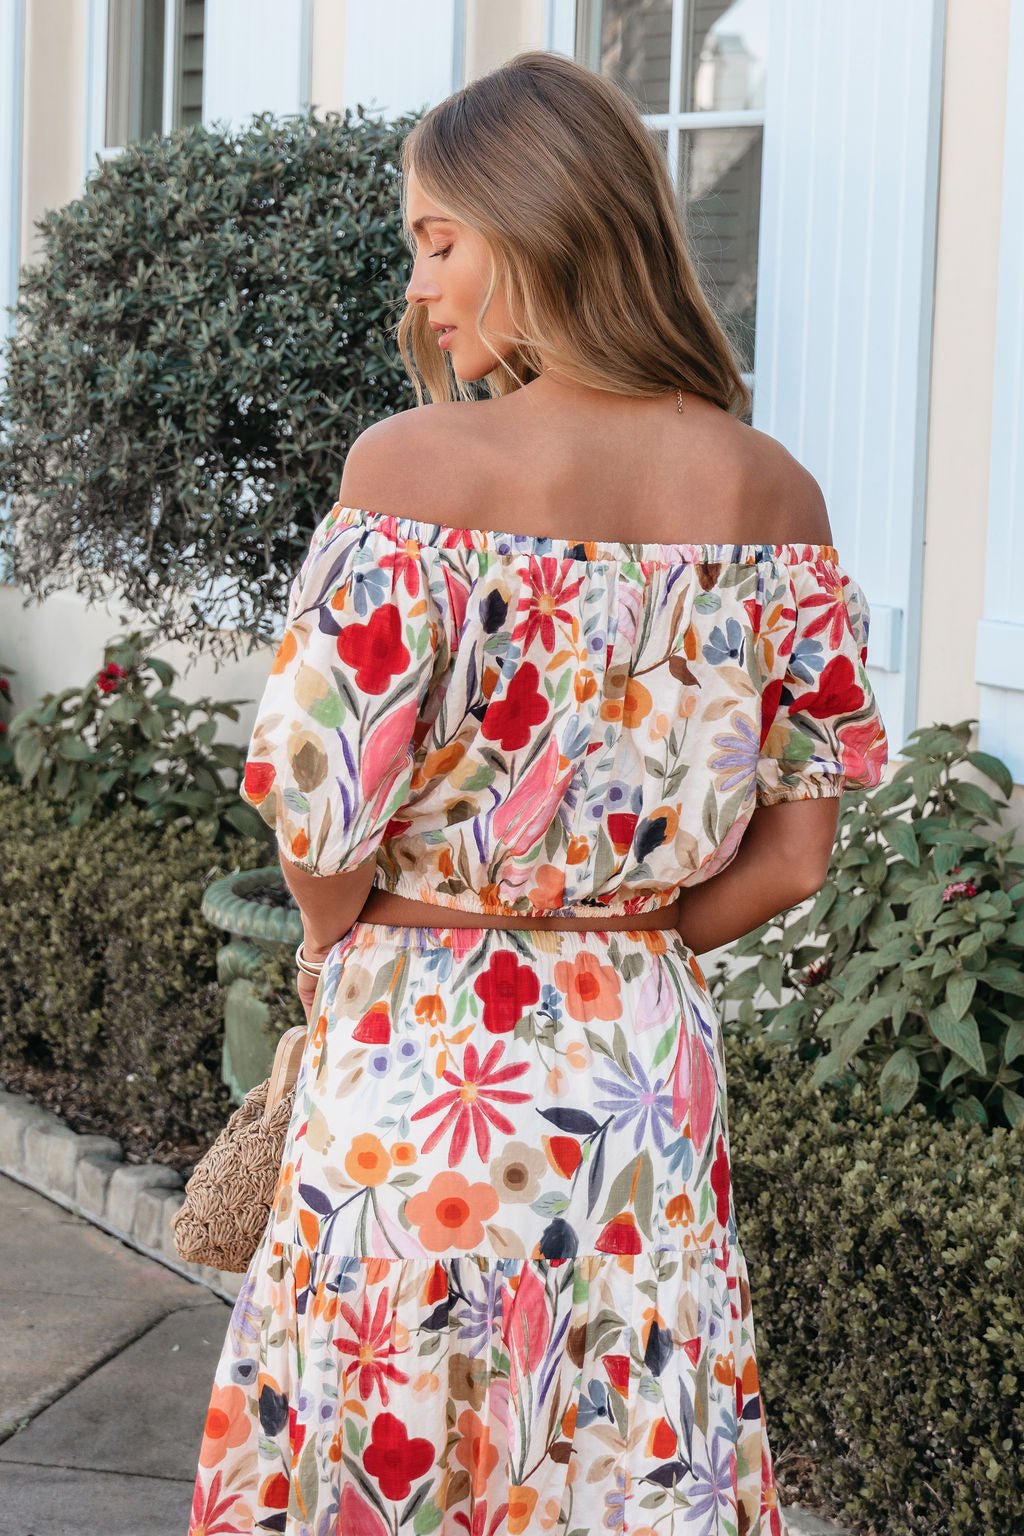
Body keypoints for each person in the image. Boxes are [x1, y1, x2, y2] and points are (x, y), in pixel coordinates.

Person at [188, 48, 888, 1536]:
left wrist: (347, 942)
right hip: (638, 1071)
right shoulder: (777, 499)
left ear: (540, 221)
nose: (422, 292)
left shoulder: (410, 468)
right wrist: (612, 950)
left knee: (387, 1437)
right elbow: (801, 853)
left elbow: (317, 817)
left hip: (417, 1043)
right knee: (626, 1448)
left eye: (439, 242)